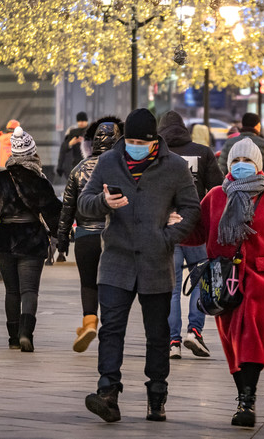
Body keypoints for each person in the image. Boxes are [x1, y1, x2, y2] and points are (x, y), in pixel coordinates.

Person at [78, 108, 200, 423]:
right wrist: (105, 203)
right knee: (111, 329)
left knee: (158, 334)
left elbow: (191, 208)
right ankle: (108, 393)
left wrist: (168, 237)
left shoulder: (174, 167)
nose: (133, 145)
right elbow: (84, 203)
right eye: (129, 140)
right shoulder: (108, 162)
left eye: (139, 141)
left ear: (152, 141)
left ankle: (157, 395)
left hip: (156, 262)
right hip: (116, 261)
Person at [183, 137, 264, 427]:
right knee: (231, 340)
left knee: (252, 333)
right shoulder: (216, 196)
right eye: (236, 161)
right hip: (223, 279)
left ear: (259, 166)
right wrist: (173, 225)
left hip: (262, 278)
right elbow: (197, 233)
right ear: (228, 165)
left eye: (248, 162)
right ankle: (243, 393)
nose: (242, 166)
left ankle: (247, 401)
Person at [0, 127, 61, 352]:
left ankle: (13, 338)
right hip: (32, 239)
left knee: (11, 291)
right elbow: (54, 212)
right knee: (29, 290)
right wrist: (58, 236)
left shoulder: (0, 179)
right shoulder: (40, 180)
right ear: (33, 154)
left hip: (4, 240)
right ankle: (27, 334)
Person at [157, 110, 224, 359]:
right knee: (200, 279)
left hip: (168, 229)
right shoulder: (203, 152)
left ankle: (172, 340)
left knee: (172, 288)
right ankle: (194, 331)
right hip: (197, 229)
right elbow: (217, 189)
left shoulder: (157, 153)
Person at [57, 117, 123, 353]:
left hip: (85, 235)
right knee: (111, 283)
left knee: (88, 282)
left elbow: (67, 207)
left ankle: (89, 322)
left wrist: (62, 239)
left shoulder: (78, 170)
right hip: (115, 236)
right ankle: (109, 328)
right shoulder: (122, 168)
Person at [218, 113, 264, 186]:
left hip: (232, 187)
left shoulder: (230, 142)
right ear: (257, 126)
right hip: (257, 187)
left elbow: (221, 168)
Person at [57, 112, 89, 179]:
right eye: (79, 121)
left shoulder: (91, 131)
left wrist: (85, 142)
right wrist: (70, 143)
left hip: (88, 165)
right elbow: (63, 150)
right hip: (74, 165)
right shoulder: (73, 133)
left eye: (83, 120)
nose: (81, 123)